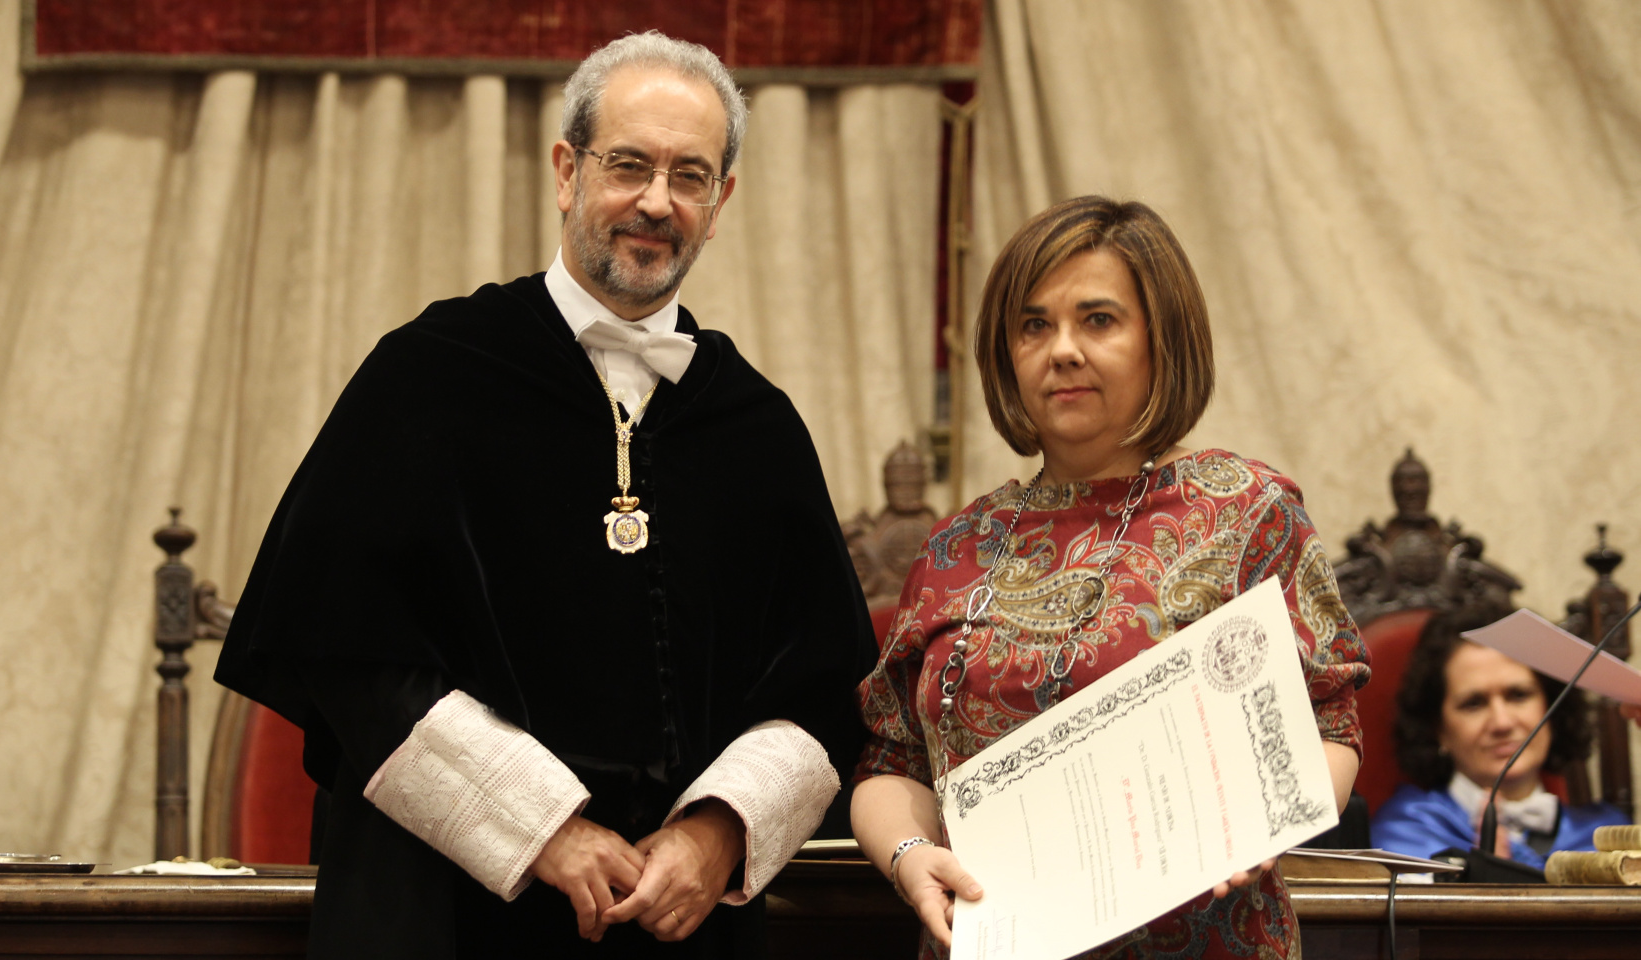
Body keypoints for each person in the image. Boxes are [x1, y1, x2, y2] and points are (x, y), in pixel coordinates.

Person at [215, 31, 876, 959]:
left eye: (690, 175)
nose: (656, 201)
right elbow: (341, 655)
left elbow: (823, 689)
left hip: (676, 925)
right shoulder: (428, 375)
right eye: (629, 165)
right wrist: (544, 829)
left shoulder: (757, 425)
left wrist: (717, 831)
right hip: (438, 916)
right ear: (567, 171)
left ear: (720, 202)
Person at [849, 196, 1369, 958]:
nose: (1062, 350)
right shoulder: (957, 545)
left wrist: (1271, 812)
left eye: (1098, 320)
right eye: (1034, 325)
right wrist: (905, 857)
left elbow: (1332, 725)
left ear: (1162, 340)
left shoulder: (1246, 512)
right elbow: (892, 760)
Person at [1371, 609, 1626, 868]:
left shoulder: (1605, 837)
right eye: (1474, 704)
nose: (1501, 723)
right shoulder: (1406, 834)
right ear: (1438, 728)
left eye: (1518, 695)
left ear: (1552, 709)